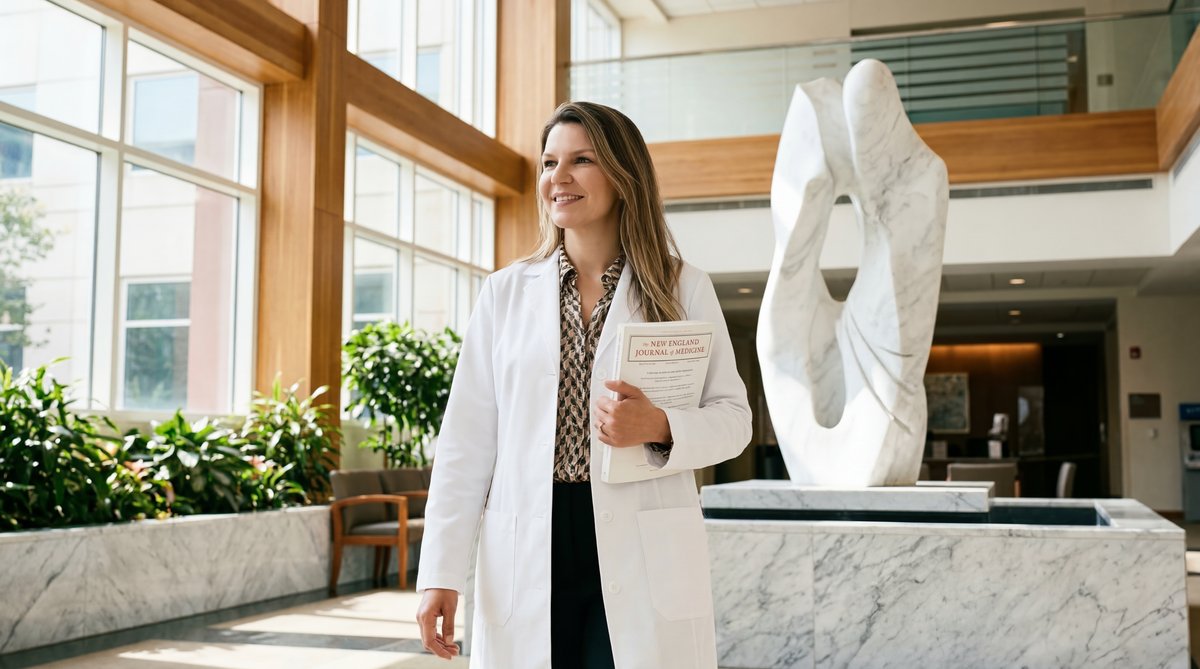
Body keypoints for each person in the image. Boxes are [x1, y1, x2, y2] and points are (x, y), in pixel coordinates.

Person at [415, 101, 753, 669]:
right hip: (532, 540)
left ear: (623, 176)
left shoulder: (681, 287)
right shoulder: (505, 293)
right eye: (548, 163)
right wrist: (440, 573)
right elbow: (465, 445)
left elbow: (734, 418)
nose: (558, 177)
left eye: (581, 160)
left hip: (640, 543)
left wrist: (663, 426)